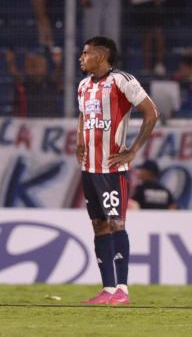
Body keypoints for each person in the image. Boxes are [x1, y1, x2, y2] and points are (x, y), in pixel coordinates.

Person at [76, 36, 159, 305]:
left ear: (100, 56)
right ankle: (108, 289)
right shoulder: (83, 86)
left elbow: (151, 112)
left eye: (86, 53)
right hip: (89, 170)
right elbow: (83, 116)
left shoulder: (122, 80)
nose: (81, 57)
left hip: (112, 169)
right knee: (99, 226)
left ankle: (122, 288)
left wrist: (133, 150)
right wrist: (79, 142)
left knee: (116, 223)